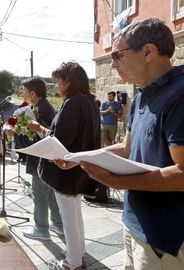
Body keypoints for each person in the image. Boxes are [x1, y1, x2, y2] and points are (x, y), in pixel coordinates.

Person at [78, 18, 184, 269]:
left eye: (117, 55)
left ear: (148, 51)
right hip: (134, 223)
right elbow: (127, 147)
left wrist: (117, 182)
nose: (112, 65)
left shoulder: (180, 94)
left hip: (164, 237)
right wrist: (80, 156)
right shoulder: (141, 97)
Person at [28, 62, 100, 270]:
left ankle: (72, 262)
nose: (57, 85)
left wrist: (41, 145)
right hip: (79, 168)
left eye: (59, 81)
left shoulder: (72, 103)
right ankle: (80, 254)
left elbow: (60, 140)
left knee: (69, 217)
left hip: (66, 170)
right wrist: (43, 130)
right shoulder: (89, 102)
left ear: (70, 82)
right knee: (75, 214)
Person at [12, 77, 63, 241]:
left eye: (24, 90)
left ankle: (41, 229)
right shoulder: (40, 106)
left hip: (42, 157)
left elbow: (44, 135)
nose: (22, 93)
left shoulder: (42, 109)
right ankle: (59, 224)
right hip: (45, 157)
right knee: (50, 194)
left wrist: (17, 132)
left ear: (32, 93)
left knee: (39, 194)